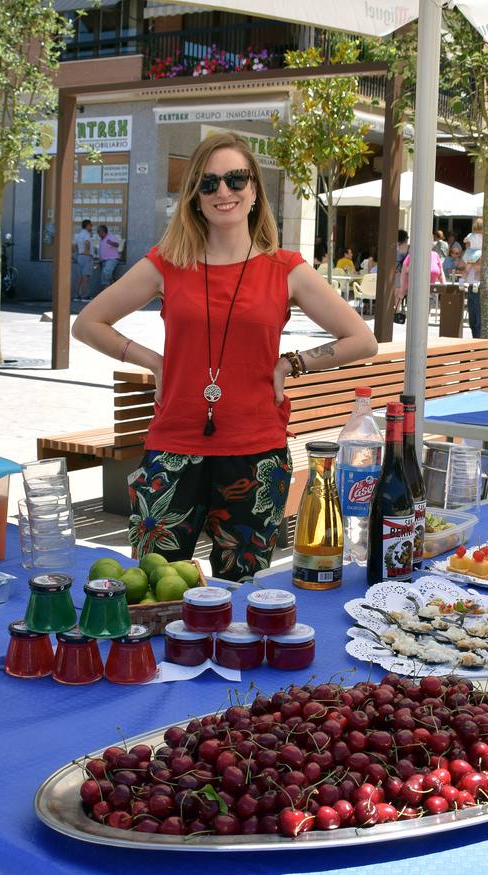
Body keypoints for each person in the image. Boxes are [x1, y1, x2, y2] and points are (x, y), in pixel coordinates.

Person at [71, 132, 377, 579]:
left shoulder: (285, 268)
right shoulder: (167, 263)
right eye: (209, 183)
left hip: (255, 453)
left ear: (255, 190)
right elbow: (88, 324)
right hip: (173, 450)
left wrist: (292, 362)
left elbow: (360, 339)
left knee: (241, 592)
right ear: (195, 196)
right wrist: (153, 361)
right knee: (156, 587)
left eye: (236, 179)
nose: (224, 192)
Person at [465, 227, 488, 339]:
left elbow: (481, 267)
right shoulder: (481, 247)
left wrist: (471, 259)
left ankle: (480, 347)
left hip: (483, 286)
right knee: (473, 320)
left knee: (478, 321)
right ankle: (478, 346)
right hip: (474, 285)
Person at [73, 219, 95, 301]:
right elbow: (87, 243)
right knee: (86, 277)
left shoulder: (78, 234)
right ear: (88, 225)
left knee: (80, 277)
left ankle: (76, 295)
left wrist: (77, 254)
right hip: (86, 256)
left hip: (79, 256)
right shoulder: (86, 234)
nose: (91, 227)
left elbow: (74, 245)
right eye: (91, 225)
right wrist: (87, 253)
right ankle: (84, 296)